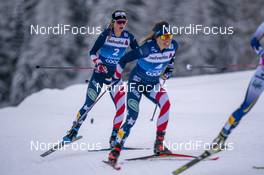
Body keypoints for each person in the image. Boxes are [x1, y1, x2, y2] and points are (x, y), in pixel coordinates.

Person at [63, 10, 138, 148]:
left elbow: (138, 53)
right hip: (99, 75)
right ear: (113, 22)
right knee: (88, 104)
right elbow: (92, 52)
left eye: (124, 22)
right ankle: (73, 131)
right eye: (119, 22)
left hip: (116, 78)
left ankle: (114, 138)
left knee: (121, 107)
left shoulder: (129, 37)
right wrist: (98, 63)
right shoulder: (106, 35)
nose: (122, 25)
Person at [107, 21, 179, 165]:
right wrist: (116, 77)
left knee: (166, 104)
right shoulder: (147, 49)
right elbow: (123, 60)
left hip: (153, 85)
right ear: (157, 37)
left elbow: (171, 59)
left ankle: (159, 145)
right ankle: (115, 151)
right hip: (137, 84)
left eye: (170, 36)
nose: (168, 40)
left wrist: (169, 71)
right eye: (164, 37)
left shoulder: (174, 45)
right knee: (132, 116)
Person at [210, 21, 264, 153]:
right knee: (245, 107)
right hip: (262, 74)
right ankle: (221, 138)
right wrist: (262, 53)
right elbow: (253, 41)